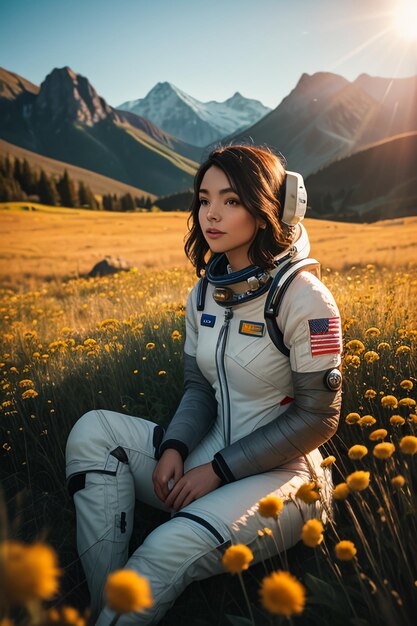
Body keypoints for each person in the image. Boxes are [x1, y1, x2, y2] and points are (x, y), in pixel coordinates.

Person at [65, 144, 343, 625]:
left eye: (232, 200)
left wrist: (218, 470)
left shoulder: (306, 299)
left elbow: (319, 418)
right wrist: (174, 447)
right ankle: (104, 607)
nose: (211, 214)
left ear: (272, 206)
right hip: (209, 458)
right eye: (204, 198)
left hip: (289, 479)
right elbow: (198, 387)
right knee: (93, 431)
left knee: (165, 546)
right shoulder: (204, 293)